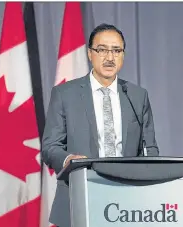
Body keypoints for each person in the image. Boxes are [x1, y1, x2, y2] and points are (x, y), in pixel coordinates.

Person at [41, 23, 159, 227]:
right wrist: (70, 160)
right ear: (90, 53)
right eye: (102, 50)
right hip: (79, 195)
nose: (109, 57)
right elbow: (50, 147)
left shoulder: (137, 96)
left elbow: (150, 149)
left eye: (116, 50)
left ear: (123, 55)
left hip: (128, 203)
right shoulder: (65, 94)